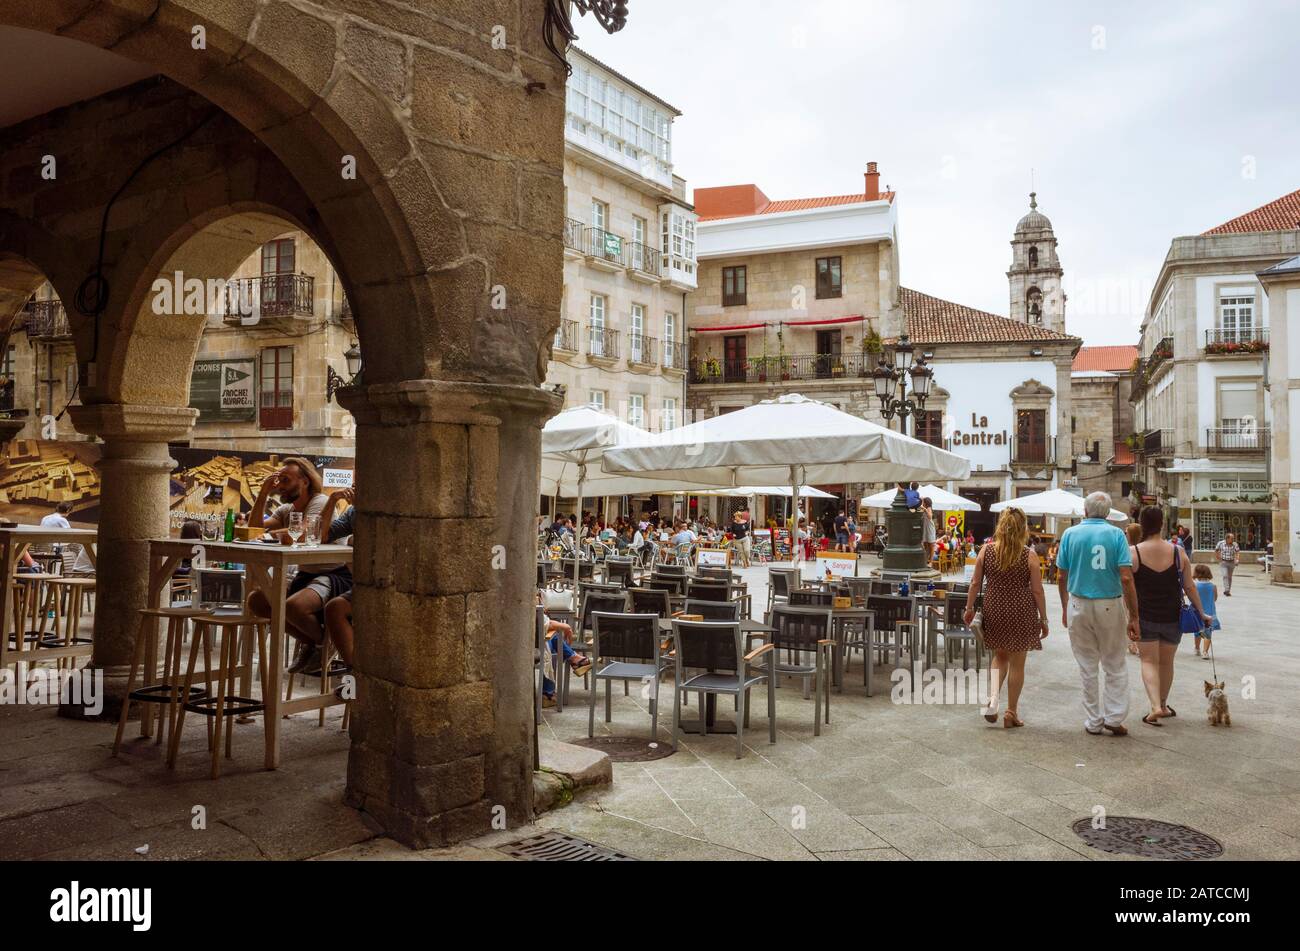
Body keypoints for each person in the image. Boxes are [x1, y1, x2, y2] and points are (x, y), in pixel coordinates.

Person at [1055, 491, 1140, 736]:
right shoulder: (1116, 535)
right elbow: (1126, 576)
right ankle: (1114, 717)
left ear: (1085, 511)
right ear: (1108, 513)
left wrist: (1064, 608)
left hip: (1079, 604)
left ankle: (1093, 721)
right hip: (1109, 605)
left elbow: (1061, 575)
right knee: (1115, 663)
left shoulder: (1070, 534)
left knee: (1087, 666)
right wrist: (1134, 615)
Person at [964, 508, 1048, 728]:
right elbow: (1038, 590)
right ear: (1023, 528)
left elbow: (975, 583)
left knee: (999, 656)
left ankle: (992, 701)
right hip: (1021, 608)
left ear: (1001, 526)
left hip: (995, 607)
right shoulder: (1028, 554)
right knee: (1017, 663)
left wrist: (969, 607)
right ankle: (1011, 712)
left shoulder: (986, 550)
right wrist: (1044, 619)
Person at [1130, 506, 1211, 726]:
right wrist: (1203, 612)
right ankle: (1164, 704)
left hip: (1145, 615)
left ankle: (1154, 706)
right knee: (1166, 663)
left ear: (1142, 524)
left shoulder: (1133, 552)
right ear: (1162, 524)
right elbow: (1189, 586)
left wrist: (1130, 616)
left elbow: (1128, 586)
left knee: (1148, 661)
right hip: (1172, 617)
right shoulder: (1178, 552)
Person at [1192, 563, 1221, 659]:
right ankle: (1205, 652)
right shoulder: (1213, 586)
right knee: (1207, 633)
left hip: (1197, 612)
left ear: (1196, 573)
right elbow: (1215, 598)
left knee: (1197, 631)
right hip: (1209, 613)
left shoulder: (1194, 585)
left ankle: (1197, 648)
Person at [1215, 532, 1241, 596]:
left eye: (1233, 539)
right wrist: (1218, 558)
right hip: (1223, 562)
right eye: (1231, 538)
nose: (1233, 540)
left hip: (1231, 562)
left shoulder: (1235, 544)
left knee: (1229, 577)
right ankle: (1226, 589)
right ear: (1227, 538)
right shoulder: (1221, 543)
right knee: (1225, 575)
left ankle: (1228, 590)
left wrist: (1237, 560)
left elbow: (1237, 552)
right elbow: (1216, 550)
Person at [920, 497, 936, 563]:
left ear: (926, 503)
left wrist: (924, 509)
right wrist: (921, 499)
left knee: (931, 546)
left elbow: (930, 516)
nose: (922, 503)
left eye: (923, 502)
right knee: (926, 545)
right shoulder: (924, 509)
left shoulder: (928, 508)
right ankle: (925, 560)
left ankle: (931, 562)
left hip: (930, 528)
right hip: (926, 529)